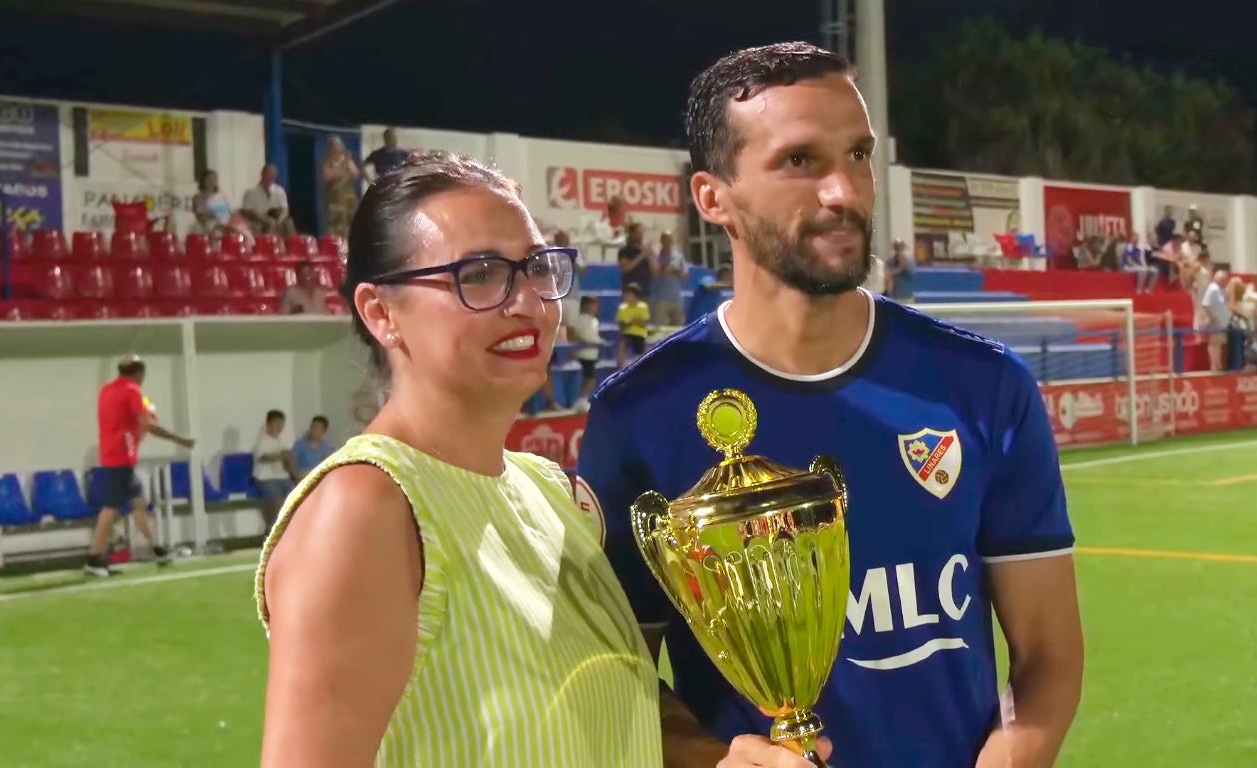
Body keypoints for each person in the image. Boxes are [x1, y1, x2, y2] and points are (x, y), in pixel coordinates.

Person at [576, 42, 1084, 767]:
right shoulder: (641, 416)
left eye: (858, 155)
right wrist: (714, 760)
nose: (844, 192)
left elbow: (1049, 655)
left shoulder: (984, 384)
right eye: (800, 161)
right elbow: (613, 676)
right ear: (713, 198)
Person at [253, 152, 817, 768]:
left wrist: (715, 762)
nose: (526, 301)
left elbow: (607, 702)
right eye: (479, 274)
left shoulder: (550, 492)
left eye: (537, 268)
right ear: (380, 313)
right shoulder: (365, 510)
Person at [86, 354, 195, 577]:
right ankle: (94, 558)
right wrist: (180, 440)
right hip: (121, 457)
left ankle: (156, 548)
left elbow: (128, 420)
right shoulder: (132, 391)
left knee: (138, 503)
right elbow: (148, 425)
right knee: (110, 508)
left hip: (112, 454)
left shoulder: (107, 390)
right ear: (139, 373)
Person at [252, 409, 296, 532]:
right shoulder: (262, 440)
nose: (279, 427)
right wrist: (280, 456)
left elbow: (287, 456)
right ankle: (271, 529)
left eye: (281, 424)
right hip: (265, 478)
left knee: (298, 497)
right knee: (277, 501)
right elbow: (262, 457)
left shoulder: (281, 440)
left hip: (282, 477)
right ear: (268, 424)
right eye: (277, 424)